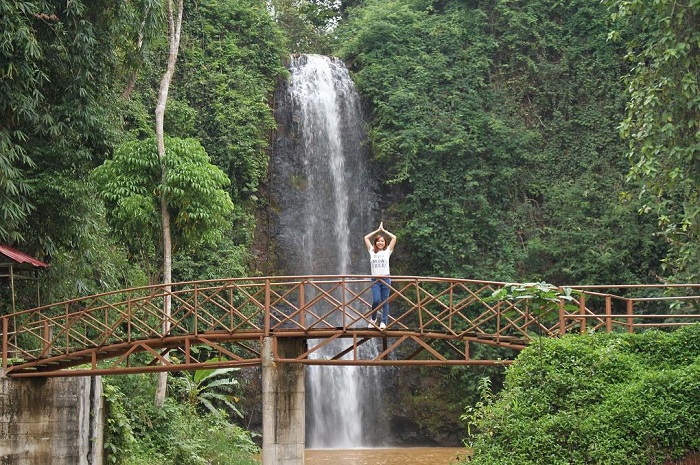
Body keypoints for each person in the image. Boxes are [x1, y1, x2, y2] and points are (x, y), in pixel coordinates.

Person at [364, 222, 397, 331]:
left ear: (385, 243)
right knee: (376, 300)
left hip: (386, 279)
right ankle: (373, 319)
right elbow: (366, 238)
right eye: (378, 241)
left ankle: (383, 321)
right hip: (375, 280)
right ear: (375, 243)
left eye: (382, 241)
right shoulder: (372, 252)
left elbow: (394, 237)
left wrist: (384, 231)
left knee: (385, 301)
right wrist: (378, 231)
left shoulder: (387, 251)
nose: (380, 243)